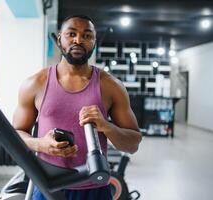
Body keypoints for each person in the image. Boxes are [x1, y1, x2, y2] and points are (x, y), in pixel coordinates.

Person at [12, 14, 142, 200]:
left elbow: (133, 144)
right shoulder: (35, 84)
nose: (78, 40)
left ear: (94, 41)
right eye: (71, 34)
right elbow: (16, 134)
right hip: (48, 186)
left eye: (87, 35)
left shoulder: (111, 86)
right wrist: (40, 144)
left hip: (94, 187)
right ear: (60, 38)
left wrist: (106, 126)